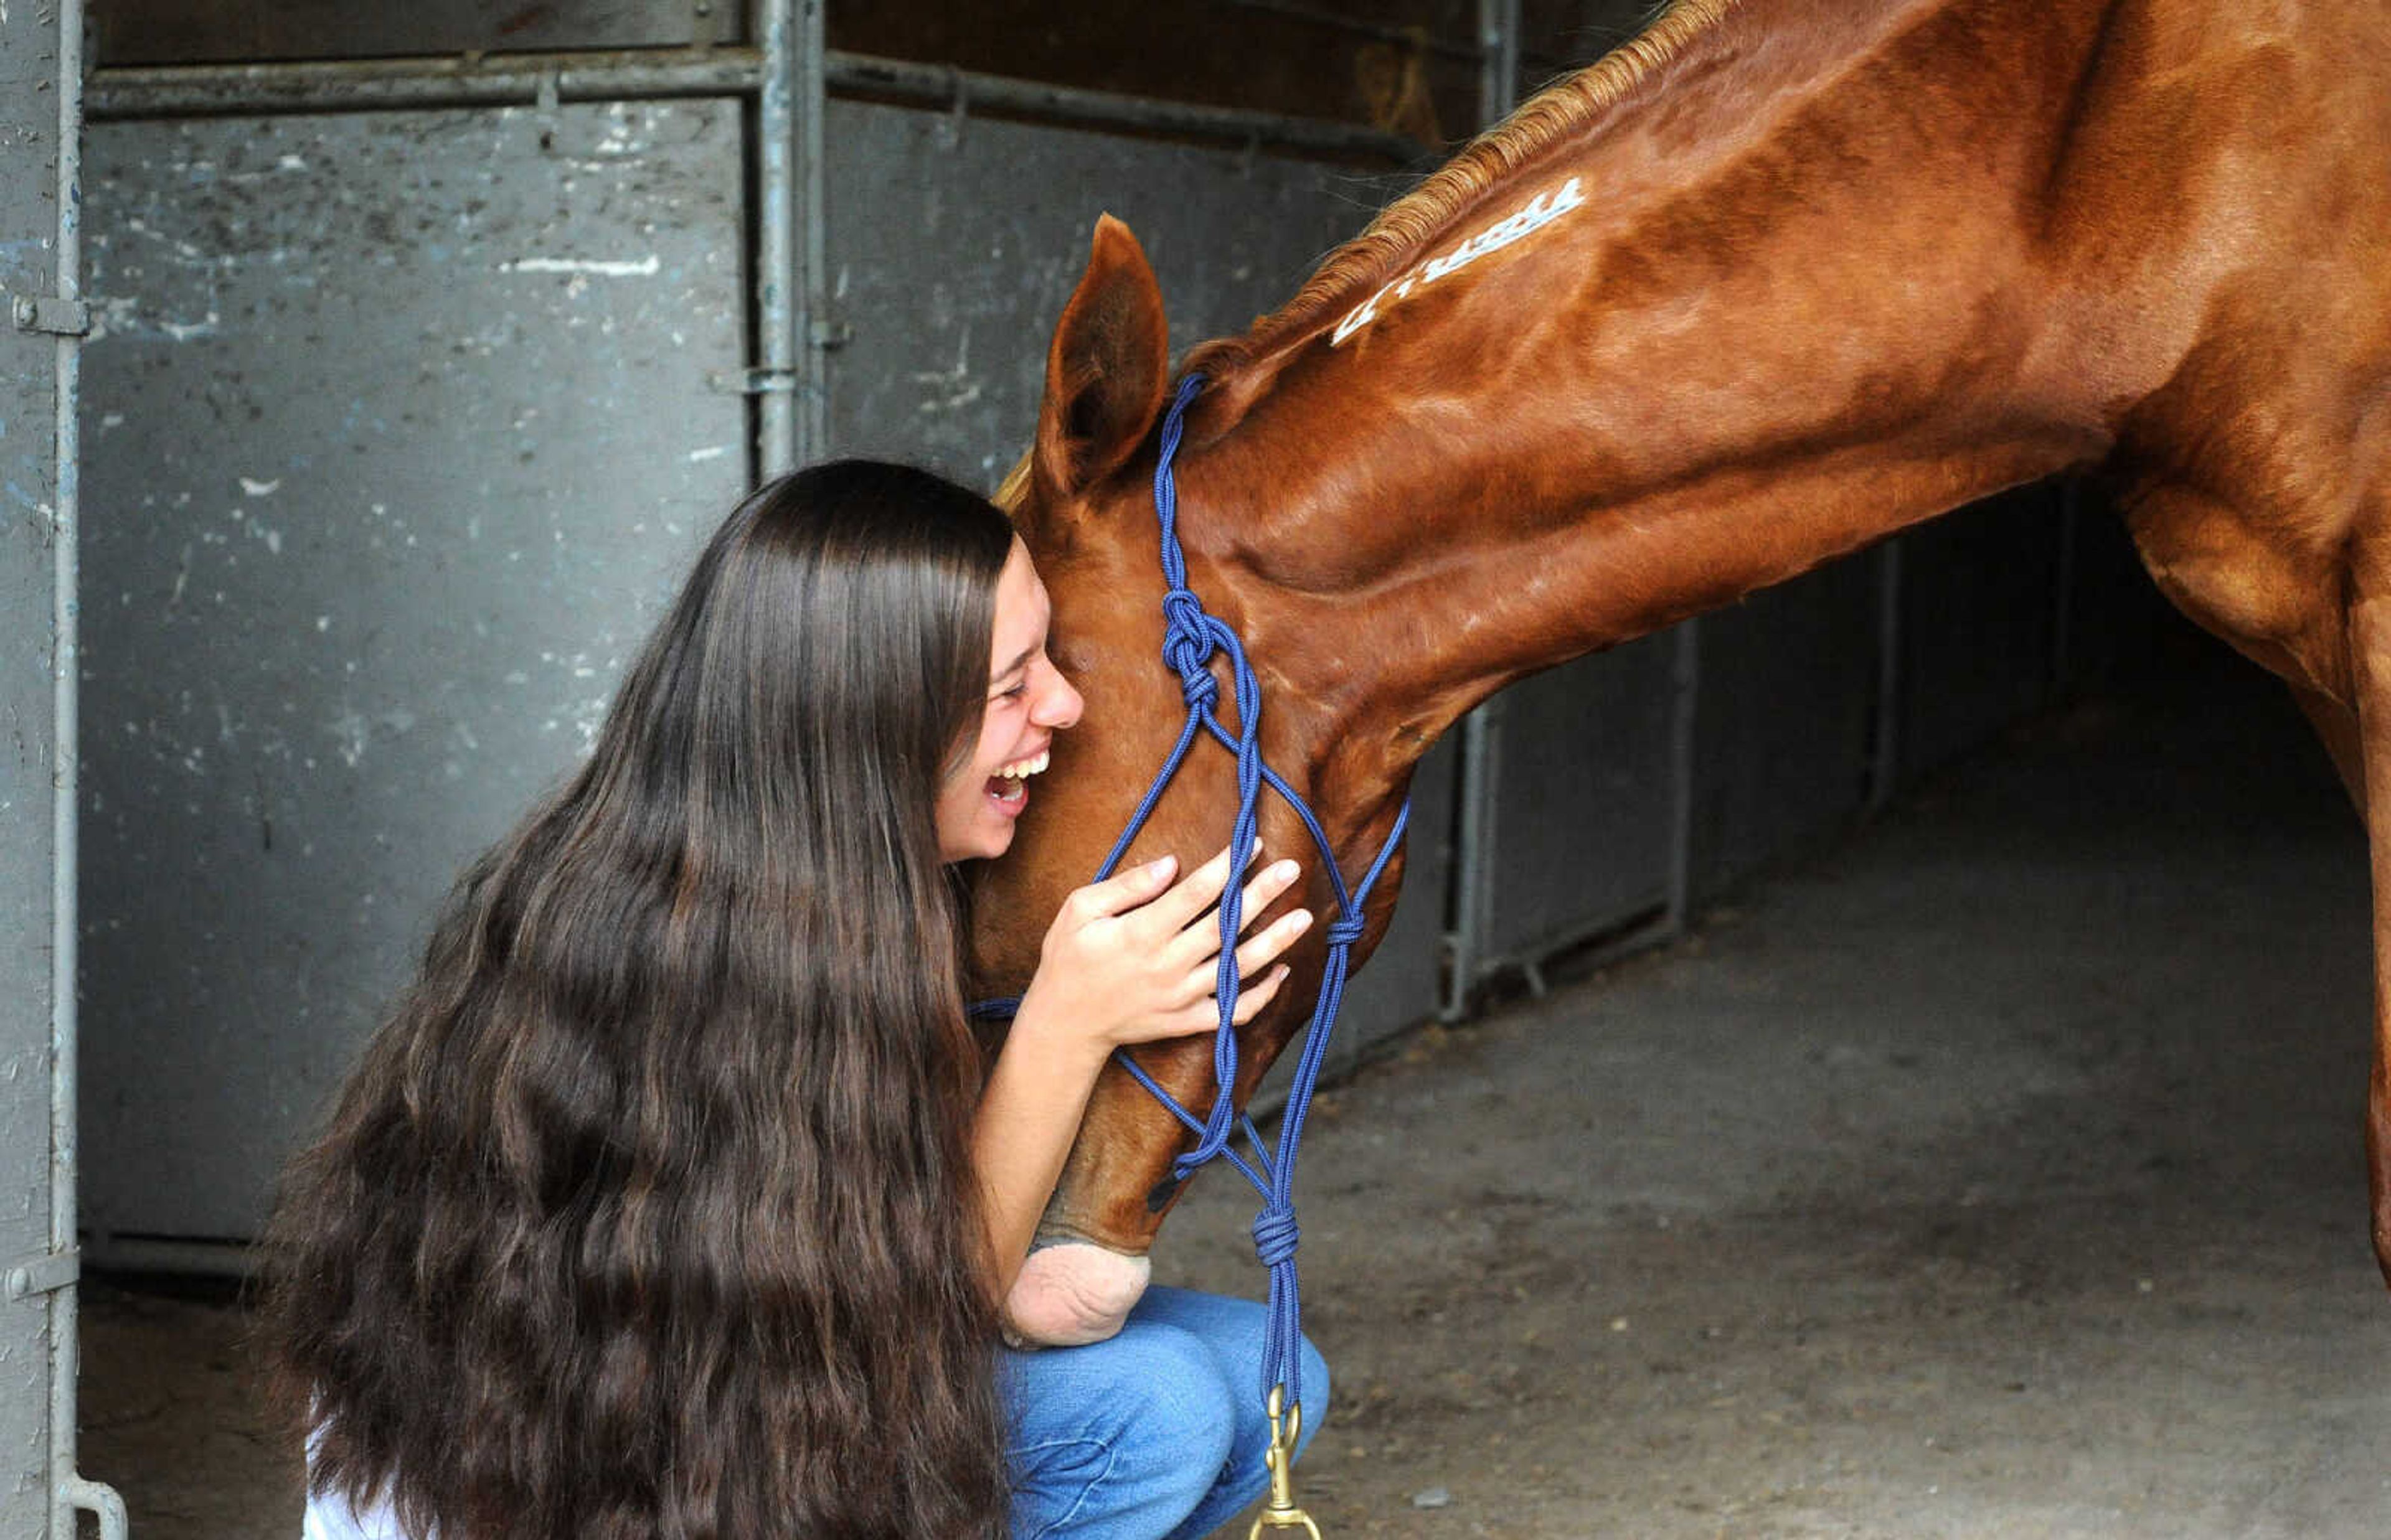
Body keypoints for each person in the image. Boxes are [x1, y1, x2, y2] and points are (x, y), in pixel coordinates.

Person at [264, 461, 1327, 1540]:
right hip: (579, 1486)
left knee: (1266, 1377)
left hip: (727, 1416)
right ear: (878, 722)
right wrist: (1070, 1018)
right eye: (1013, 685)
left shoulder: (829, 877)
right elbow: (892, 1328)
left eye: (1047, 657)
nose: (1064, 702)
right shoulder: (692, 956)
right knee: (1156, 1412)